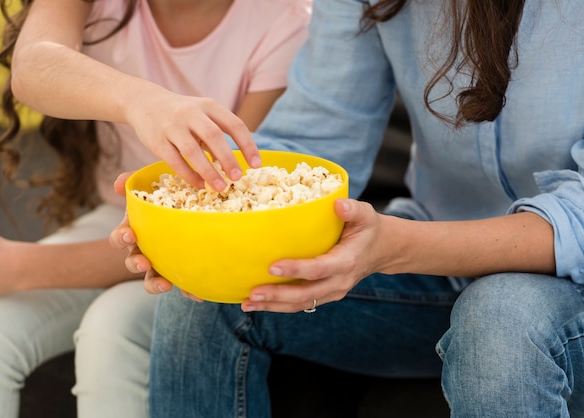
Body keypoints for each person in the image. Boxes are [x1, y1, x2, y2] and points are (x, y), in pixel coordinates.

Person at [110, 0, 584, 416]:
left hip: (558, 292)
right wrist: (202, 218)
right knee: (211, 295)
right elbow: (317, 137)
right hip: (438, 269)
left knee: (501, 318)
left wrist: (398, 248)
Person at [0, 0, 311, 417]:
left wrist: (14, 265)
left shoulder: (287, 24)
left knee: (113, 329)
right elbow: (34, 65)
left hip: (213, 246)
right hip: (118, 217)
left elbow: (221, 222)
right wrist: (142, 101)